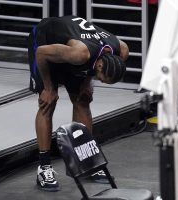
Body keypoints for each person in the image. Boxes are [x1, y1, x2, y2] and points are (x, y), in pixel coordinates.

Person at [27, 15, 129, 191]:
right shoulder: (79, 54)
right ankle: (44, 168)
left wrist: (87, 83)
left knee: (83, 100)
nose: (101, 82)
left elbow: (96, 65)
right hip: (46, 44)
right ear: (98, 67)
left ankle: (87, 163)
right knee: (48, 103)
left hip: (73, 50)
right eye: (102, 79)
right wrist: (49, 88)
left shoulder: (122, 50)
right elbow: (41, 53)